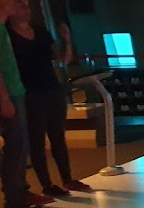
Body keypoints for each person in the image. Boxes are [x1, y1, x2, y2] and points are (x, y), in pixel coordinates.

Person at [8, 0, 90, 197]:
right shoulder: (8, 36)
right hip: (30, 92)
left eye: (27, 6)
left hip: (52, 88)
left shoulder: (41, 32)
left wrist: (67, 41)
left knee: (58, 136)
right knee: (36, 139)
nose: (26, 9)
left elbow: (61, 60)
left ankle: (67, 178)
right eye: (21, 6)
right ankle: (46, 184)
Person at [0, 0, 47, 208]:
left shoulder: (2, 28)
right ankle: (15, 198)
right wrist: (4, 98)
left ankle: (20, 190)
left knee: (21, 144)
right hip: (9, 93)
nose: (18, 4)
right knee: (16, 145)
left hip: (16, 91)